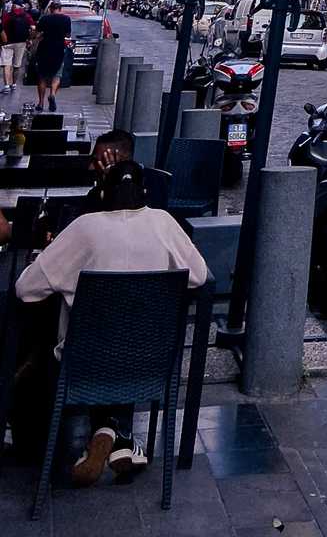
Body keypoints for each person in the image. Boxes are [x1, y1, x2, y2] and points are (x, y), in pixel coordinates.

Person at [14, 158, 208, 485]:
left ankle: (48, 450)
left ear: (102, 193)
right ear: (145, 193)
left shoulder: (85, 228)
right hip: (152, 363)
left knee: (42, 348)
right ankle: (116, 435)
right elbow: (200, 275)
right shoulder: (164, 222)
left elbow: (25, 290)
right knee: (122, 337)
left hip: (83, 365)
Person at [31, 0, 72, 113]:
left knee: (42, 77)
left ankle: (40, 103)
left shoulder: (45, 19)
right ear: (60, 9)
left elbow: (37, 33)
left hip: (44, 49)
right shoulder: (66, 19)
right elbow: (68, 34)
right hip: (58, 49)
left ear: (50, 9)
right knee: (57, 75)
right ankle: (52, 94)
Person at [1, 0, 34, 94]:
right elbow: (33, 28)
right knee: (17, 65)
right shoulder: (27, 16)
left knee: (6, 64)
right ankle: (14, 84)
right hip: (21, 42)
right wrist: (29, 39)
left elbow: (1, 28)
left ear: (14, 5)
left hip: (7, 42)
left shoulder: (7, 15)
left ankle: (6, 86)